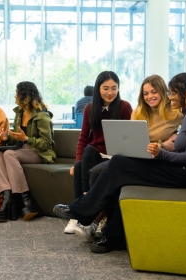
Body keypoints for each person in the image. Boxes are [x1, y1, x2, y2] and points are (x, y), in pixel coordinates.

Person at [54, 72, 186, 254]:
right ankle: (109, 234)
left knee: (119, 167)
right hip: (177, 169)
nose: (170, 97)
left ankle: (82, 211)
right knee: (119, 168)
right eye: (169, 93)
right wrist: (164, 150)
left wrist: (160, 153)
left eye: (173, 93)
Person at [67, 74, 183, 241]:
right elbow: (130, 138)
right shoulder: (139, 112)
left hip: (155, 160)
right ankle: (88, 216)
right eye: (146, 93)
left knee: (103, 171)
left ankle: (85, 215)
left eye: (154, 92)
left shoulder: (175, 113)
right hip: (135, 156)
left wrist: (174, 139)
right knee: (88, 163)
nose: (150, 96)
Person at [64, 71, 133, 236]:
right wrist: (76, 162)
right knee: (82, 162)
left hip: (116, 156)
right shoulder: (90, 108)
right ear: (98, 89)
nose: (110, 92)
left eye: (114, 88)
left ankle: (84, 208)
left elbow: (130, 136)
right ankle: (81, 210)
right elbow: (83, 138)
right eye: (106, 88)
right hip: (95, 154)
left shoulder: (124, 107)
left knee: (84, 163)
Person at [0, 81, 56, 222]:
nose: (15, 97)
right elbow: (16, 140)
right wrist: (6, 137)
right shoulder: (19, 113)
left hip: (39, 153)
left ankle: (27, 201)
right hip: (22, 150)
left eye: (17, 93)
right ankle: (7, 197)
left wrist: (27, 139)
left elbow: (46, 144)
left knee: (9, 154)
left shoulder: (42, 116)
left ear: (25, 96)